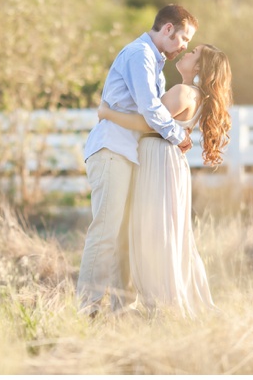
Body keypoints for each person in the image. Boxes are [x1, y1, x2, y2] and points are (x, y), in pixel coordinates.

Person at [77, 4, 197, 318]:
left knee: (125, 235)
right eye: (183, 38)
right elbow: (150, 110)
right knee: (106, 231)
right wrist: (177, 134)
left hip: (129, 155)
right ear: (168, 29)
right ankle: (85, 310)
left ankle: (121, 310)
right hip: (112, 151)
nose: (184, 46)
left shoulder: (153, 63)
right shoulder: (139, 55)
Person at [97, 43, 232, 318]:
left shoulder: (183, 92)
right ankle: (165, 297)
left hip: (158, 158)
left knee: (155, 230)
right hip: (166, 159)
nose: (187, 53)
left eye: (194, 53)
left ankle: (164, 300)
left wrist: (107, 113)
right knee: (167, 230)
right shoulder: (194, 94)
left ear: (199, 68)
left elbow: (149, 123)